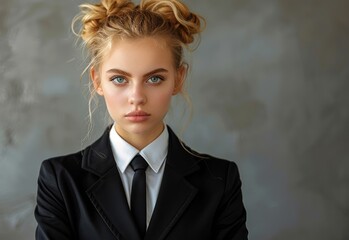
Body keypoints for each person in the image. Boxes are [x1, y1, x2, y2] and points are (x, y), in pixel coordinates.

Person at [34, 0, 248, 239]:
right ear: (97, 80)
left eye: (154, 79)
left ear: (178, 79)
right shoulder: (61, 179)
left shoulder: (220, 180)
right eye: (119, 79)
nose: (137, 97)